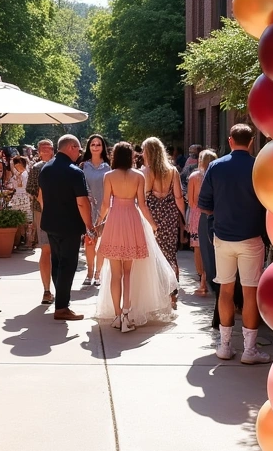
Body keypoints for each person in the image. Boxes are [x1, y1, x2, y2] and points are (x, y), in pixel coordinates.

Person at [198, 124, 270, 365]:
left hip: (223, 237)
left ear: (230, 141)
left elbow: (204, 204)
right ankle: (250, 350)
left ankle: (225, 345)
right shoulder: (258, 167)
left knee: (225, 290)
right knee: (250, 292)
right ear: (251, 142)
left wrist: (219, 215)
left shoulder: (216, 167)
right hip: (251, 237)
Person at [95, 141, 176, 331]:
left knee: (115, 273)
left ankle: (116, 316)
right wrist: (153, 224)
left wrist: (98, 221)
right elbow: (143, 205)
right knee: (128, 273)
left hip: (115, 221)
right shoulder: (138, 176)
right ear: (131, 156)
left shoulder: (108, 176)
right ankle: (126, 314)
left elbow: (106, 203)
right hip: (132, 220)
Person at [38, 134, 96, 321]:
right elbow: (82, 202)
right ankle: (62, 307)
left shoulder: (45, 169)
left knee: (57, 262)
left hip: (50, 223)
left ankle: (61, 302)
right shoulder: (74, 171)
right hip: (69, 225)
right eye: (78, 149)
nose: (79, 153)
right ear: (71, 147)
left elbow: (41, 198)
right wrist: (89, 225)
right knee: (68, 265)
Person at [143, 137, 186, 294]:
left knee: (154, 254)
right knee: (170, 253)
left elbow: (143, 198)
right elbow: (179, 198)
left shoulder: (146, 172)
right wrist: (184, 218)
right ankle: (172, 290)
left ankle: (157, 291)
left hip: (152, 217)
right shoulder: (172, 171)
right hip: (169, 216)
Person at [26, 138, 55, 302]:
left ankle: (55, 290)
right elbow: (32, 190)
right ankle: (47, 290)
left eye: (48, 148)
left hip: (52, 212)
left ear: (53, 149)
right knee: (46, 249)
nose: (45, 150)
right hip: (42, 212)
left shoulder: (58, 166)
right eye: (42, 148)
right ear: (38, 151)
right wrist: (44, 205)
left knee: (53, 251)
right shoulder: (36, 168)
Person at [186, 149, 217, 295]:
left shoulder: (194, 177)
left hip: (197, 215)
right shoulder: (217, 176)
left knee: (198, 249)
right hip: (213, 214)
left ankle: (202, 280)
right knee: (212, 248)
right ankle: (209, 278)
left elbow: (191, 201)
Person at [81, 133, 109, 287]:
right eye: (93, 144)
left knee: (102, 243)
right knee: (89, 242)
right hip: (88, 208)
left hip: (105, 209)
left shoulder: (108, 166)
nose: (96, 147)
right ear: (89, 147)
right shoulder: (84, 165)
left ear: (103, 147)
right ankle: (89, 272)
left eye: (98, 144)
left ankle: (99, 273)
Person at [7, 156, 32, 247]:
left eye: (18, 165)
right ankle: (18, 239)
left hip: (25, 197)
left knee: (28, 220)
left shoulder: (26, 174)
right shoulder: (17, 175)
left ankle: (28, 241)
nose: (17, 168)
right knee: (18, 219)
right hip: (17, 197)